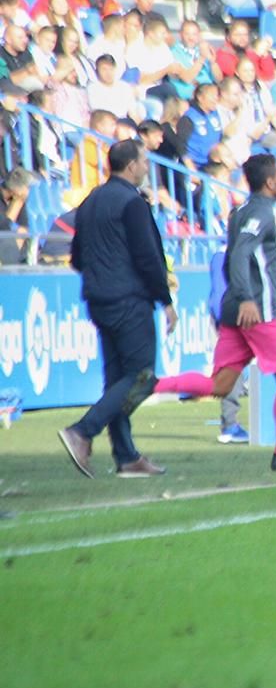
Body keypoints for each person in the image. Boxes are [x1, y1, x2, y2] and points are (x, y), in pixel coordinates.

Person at [150, 154, 276, 470]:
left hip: (235, 310)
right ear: (270, 182)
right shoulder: (261, 214)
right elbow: (241, 253)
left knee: (220, 384)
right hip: (259, 311)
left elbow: (234, 255)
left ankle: (150, 384)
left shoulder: (240, 211)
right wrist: (246, 298)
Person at [57, 141, 173, 478]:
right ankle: (82, 431)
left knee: (117, 379)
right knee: (141, 376)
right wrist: (165, 299)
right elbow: (148, 256)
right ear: (132, 165)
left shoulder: (91, 200)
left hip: (98, 299)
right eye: (144, 161)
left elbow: (77, 257)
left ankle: (126, 456)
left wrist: (100, 274)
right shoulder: (132, 203)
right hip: (129, 299)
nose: (147, 167)